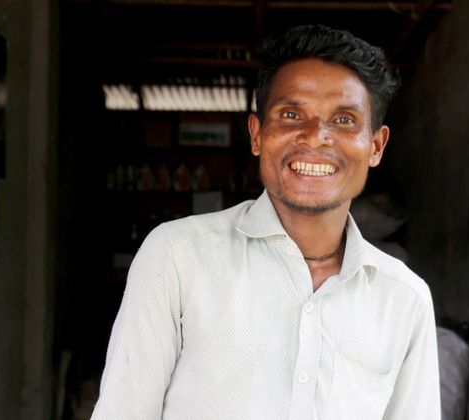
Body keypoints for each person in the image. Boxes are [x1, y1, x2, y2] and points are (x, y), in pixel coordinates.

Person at [92, 24, 440, 419]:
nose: (316, 136)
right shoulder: (176, 258)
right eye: (291, 114)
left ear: (375, 146)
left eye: (344, 120)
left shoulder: (404, 299)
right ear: (257, 135)